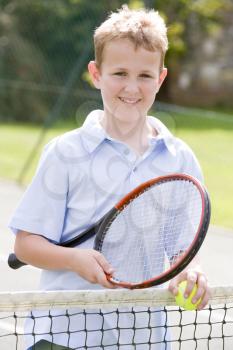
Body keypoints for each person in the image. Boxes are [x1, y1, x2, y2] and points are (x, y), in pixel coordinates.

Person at [9, 5, 210, 349]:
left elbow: (181, 252)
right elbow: (26, 246)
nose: (132, 87)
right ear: (96, 74)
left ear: (160, 79)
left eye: (145, 76)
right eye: (119, 73)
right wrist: (73, 259)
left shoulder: (180, 159)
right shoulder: (64, 153)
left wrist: (189, 277)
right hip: (63, 335)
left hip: (142, 337)